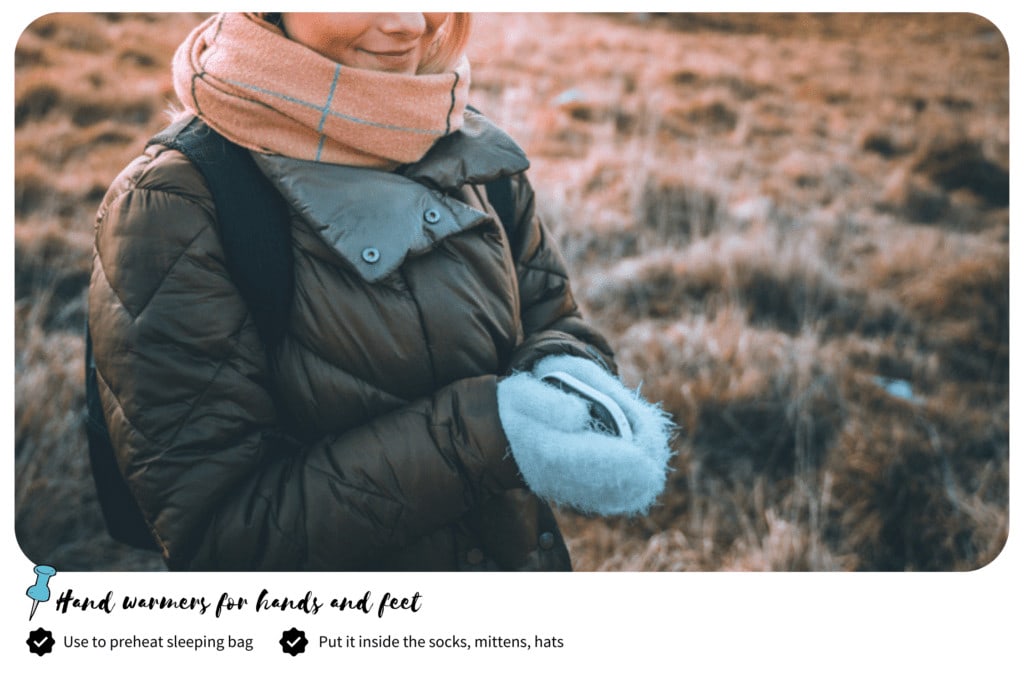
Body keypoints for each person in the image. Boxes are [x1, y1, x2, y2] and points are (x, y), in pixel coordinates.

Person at [88, 12, 675, 571]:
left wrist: (571, 372)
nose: (411, 24)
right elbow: (220, 538)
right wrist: (490, 433)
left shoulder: (458, 136)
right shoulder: (173, 205)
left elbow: (554, 315)